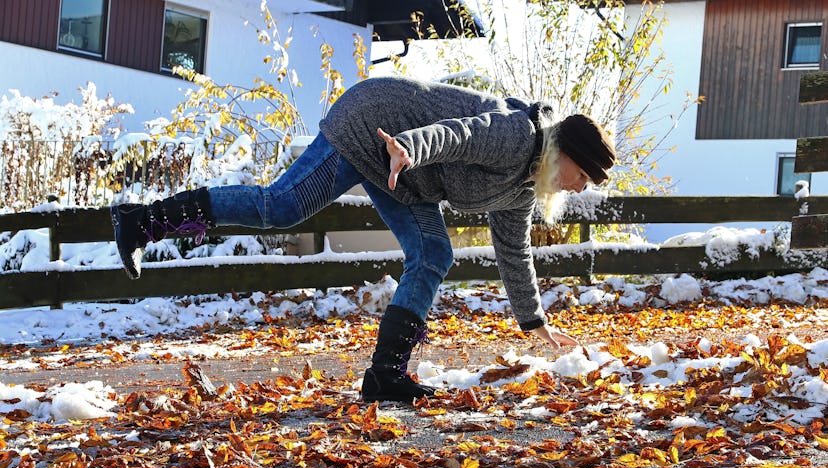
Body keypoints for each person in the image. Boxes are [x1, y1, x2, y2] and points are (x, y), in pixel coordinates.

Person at [110, 77, 616, 403]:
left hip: (406, 174)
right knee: (281, 207)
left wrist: (534, 321)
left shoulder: (525, 186)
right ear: (565, 151)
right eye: (583, 176)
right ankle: (141, 222)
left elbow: (513, 250)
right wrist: (411, 148)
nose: (579, 187)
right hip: (373, 128)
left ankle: (384, 377)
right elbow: (459, 133)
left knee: (434, 253)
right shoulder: (517, 135)